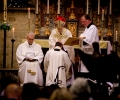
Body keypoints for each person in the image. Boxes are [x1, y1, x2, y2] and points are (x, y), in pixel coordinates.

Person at [49, 15, 75, 86]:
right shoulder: (53, 32)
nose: (60, 29)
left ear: (63, 25)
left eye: (61, 28)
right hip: (56, 53)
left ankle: (67, 83)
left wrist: (63, 46)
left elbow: (70, 43)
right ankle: (54, 81)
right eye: (58, 28)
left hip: (65, 53)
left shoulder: (67, 32)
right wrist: (57, 45)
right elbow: (50, 42)